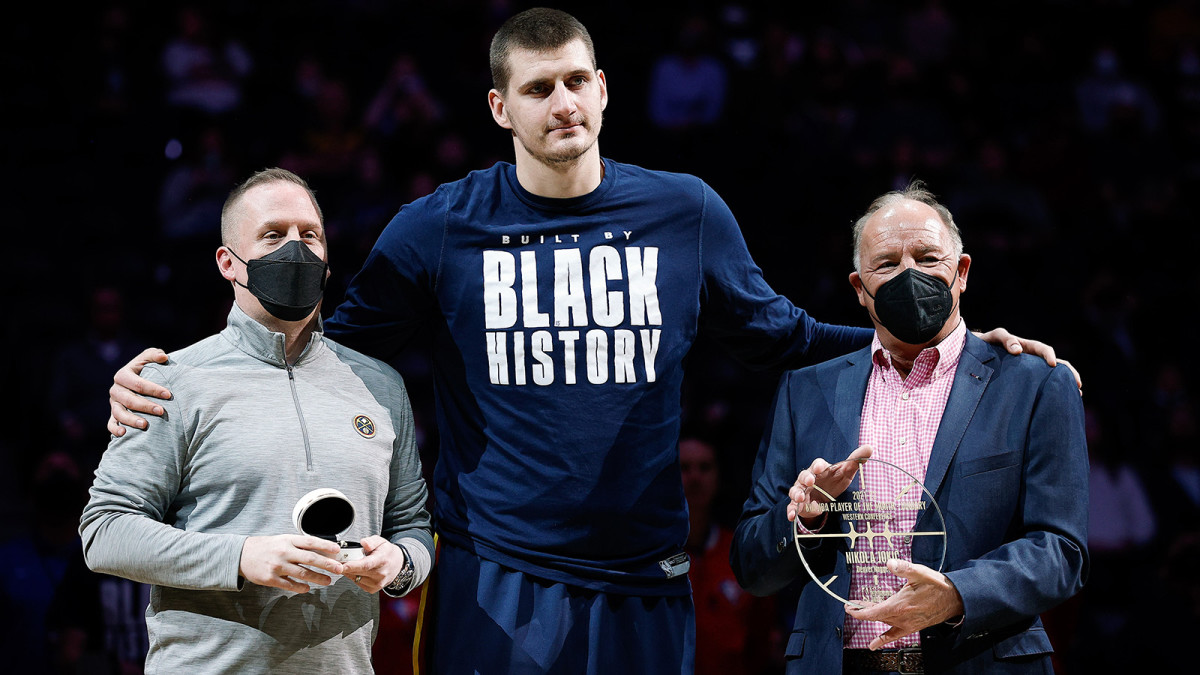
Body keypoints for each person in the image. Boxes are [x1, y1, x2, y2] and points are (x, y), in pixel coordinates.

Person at [106, 10, 1071, 674]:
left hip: (647, 579)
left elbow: (780, 336)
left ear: (605, 90)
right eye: (538, 88)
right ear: (501, 109)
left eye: (577, 80)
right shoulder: (437, 229)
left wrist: (954, 341)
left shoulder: (685, 211)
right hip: (495, 574)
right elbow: (319, 353)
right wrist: (181, 373)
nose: (562, 102)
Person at [81, 168, 433, 673]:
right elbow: (105, 532)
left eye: (310, 236)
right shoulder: (170, 381)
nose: (297, 249)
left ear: (328, 263)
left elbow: (413, 527)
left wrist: (398, 566)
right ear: (228, 262)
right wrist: (241, 558)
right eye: (273, 235)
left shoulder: (381, 386)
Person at [731, 181, 1088, 673]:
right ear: (860, 288)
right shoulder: (805, 391)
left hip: (978, 659)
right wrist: (806, 521)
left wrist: (957, 595)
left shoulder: (1034, 384)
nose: (909, 275)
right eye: (887, 264)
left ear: (961, 272)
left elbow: (1061, 551)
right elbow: (752, 568)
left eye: (927, 258)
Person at [680, 436, 779, 675]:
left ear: (718, 477)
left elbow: (761, 640)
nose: (695, 477)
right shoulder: (654, 555)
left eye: (704, 467)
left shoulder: (740, 552)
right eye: (684, 468)